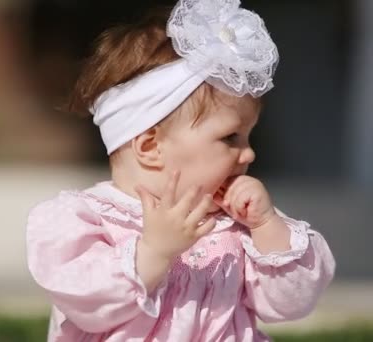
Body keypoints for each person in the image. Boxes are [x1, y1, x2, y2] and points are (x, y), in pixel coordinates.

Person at [26, 0, 336, 340]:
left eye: (249, 135)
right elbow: (87, 301)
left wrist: (266, 227)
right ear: (150, 147)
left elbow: (291, 303)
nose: (249, 153)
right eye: (229, 137)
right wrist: (154, 252)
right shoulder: (89, 221)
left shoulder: (236, 226)